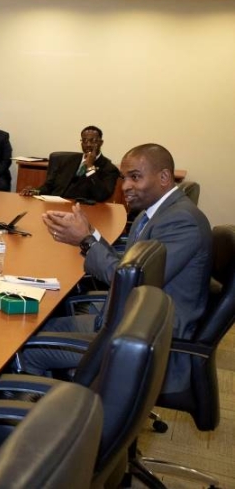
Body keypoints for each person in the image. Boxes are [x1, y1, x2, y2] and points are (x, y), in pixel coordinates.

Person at [24, 143, 212, 393]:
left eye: (135, 177)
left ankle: (44, 424)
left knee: (27, 351)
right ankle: (63, 403)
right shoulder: (156, 214)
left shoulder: (181, 222)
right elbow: (129, 266)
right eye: (124, 178)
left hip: (142, 339)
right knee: (37, 329)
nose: (124, 187)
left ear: (164, 177)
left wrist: (86, 241)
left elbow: (134, 281)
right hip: (124, 320)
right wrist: (90, 232)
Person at [21, 125, 120, 202]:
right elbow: (49, 186)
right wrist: (35, 191)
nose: (88, 144)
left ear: (101, 143)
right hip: (53, 205)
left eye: (93, 141)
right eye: (84, 141)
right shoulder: (67, 161)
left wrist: (90, 167)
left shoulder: (109, 168)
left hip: (82, 211)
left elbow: (102, 196)